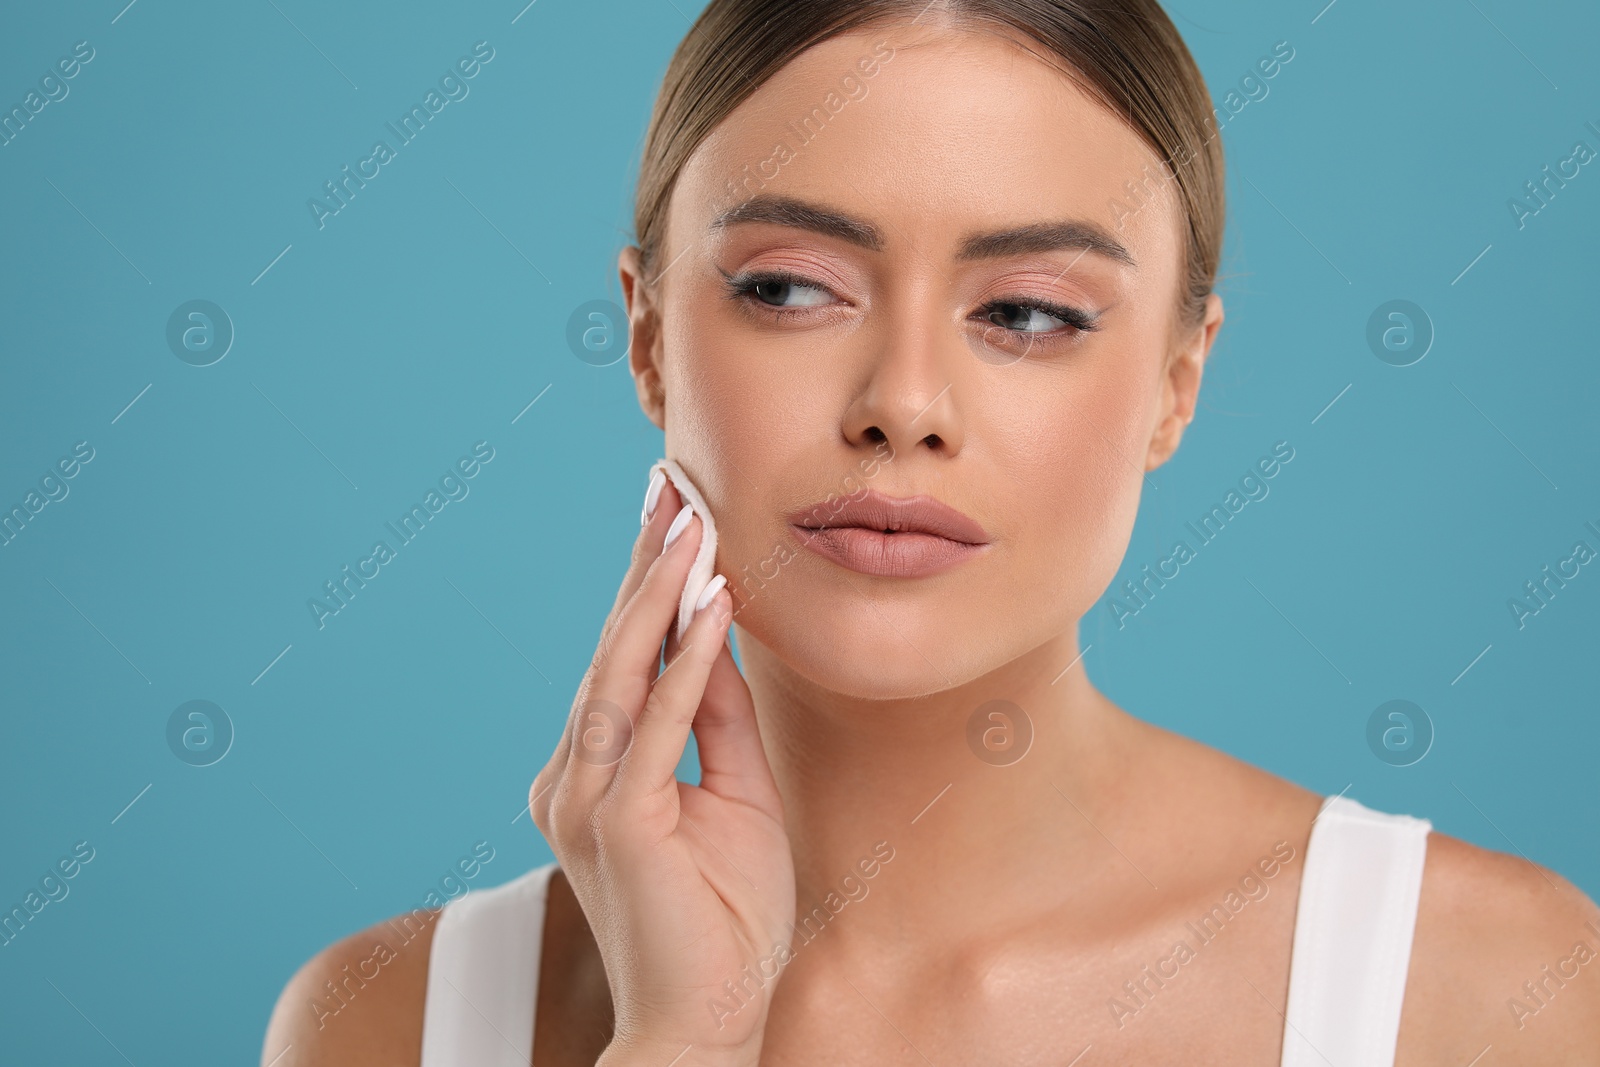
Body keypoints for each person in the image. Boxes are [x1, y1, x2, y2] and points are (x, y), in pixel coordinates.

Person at [263, 2, 1600, 1063]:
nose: (903, 405)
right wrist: (682, 1045)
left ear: (1177, 386)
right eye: (790, 288)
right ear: (650, 337)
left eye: (1027, 313)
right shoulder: (383, 1027)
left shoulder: (1486, 992)